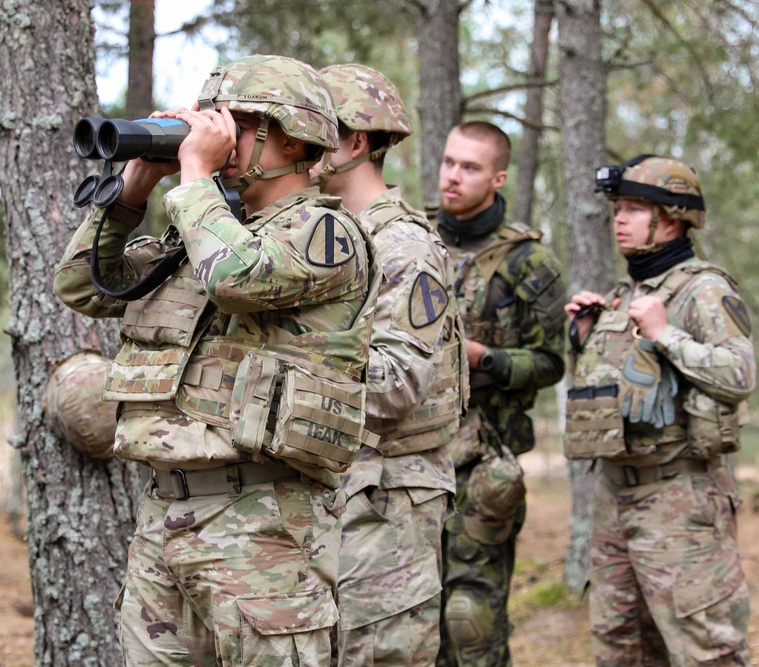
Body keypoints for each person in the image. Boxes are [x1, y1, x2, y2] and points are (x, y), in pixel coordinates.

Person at [53, 54, 379, 666]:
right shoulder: (197, 234)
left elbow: (237, 277)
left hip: (262, 525)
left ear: (290, 135)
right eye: (212, 120)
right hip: (163, 519)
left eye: (238, 123)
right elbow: (82, 286)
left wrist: (195, 178)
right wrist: (133, 191)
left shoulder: (323, 235)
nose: (217, 133)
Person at [565, 155, 754, 665]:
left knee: (706, 649)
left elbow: (740, 375)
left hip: (680, 498)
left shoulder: (703, 289)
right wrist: (585, 337)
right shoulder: (627, 293)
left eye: (633, 209)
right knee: (620, 645)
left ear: (670, 218)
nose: (619, 219)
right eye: (618, 208)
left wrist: (664, 333)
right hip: (615, 496)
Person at [310, 64, 466, 665]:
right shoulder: (327, 234)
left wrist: (283, 372)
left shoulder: (401, 244)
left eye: (315, 128)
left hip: (386, 498)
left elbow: (397, 384)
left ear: (354, 143)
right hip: (335, 491)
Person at [434, 121, 567, 667]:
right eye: (449, 163)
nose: (453, 177)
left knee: (469, 616)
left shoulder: (529, 262)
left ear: (498, 177)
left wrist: (485, 359)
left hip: (483, 463)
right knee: (400, 614)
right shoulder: (406, 239)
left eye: (470, 167)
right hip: (402, 458)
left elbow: (552, 361)